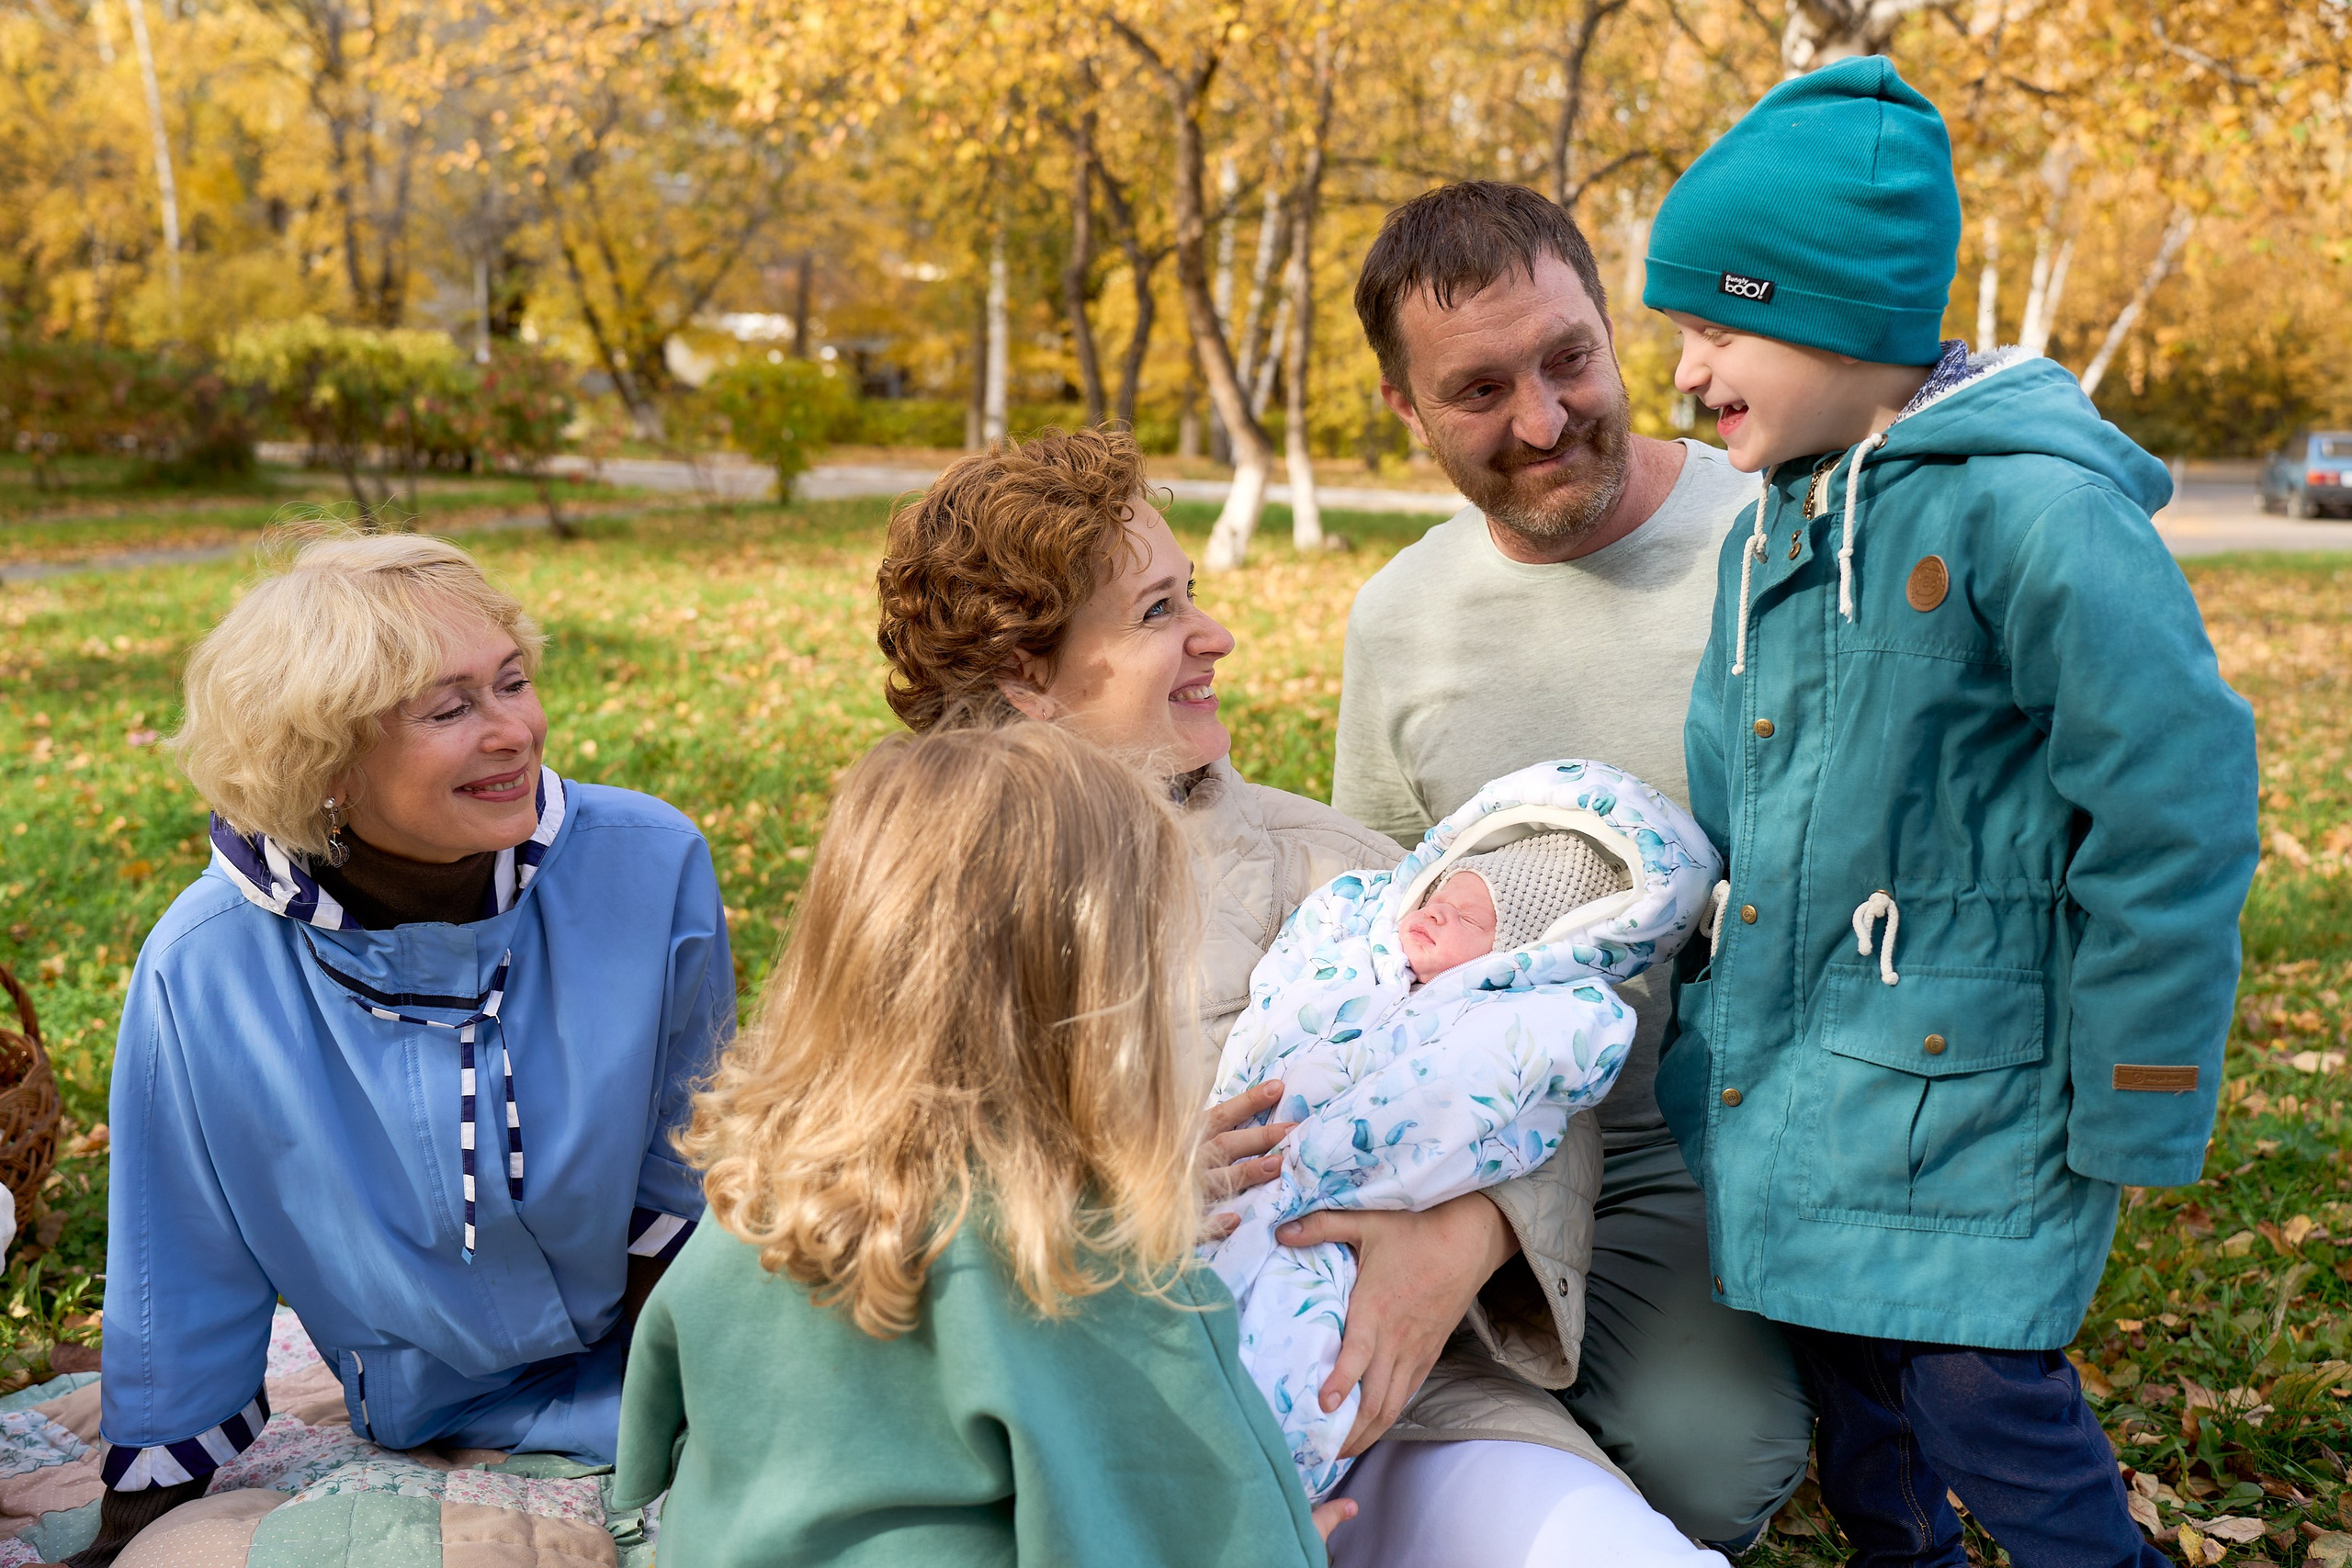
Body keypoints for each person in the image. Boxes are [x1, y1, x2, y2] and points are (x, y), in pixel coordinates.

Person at [1648, 58, 2257, 1563]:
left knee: (1988, 1404)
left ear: (1838, 316)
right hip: (1803, 1080)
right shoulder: (1772, 527)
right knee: (1859, 1397)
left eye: (1716, 328)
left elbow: (2174, 809)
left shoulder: (2035, 515)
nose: (1685, 372)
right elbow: (1741, 799)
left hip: (1968, 1098)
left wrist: (2144, 1080)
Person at [876, 428, 1662, 1567]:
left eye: (1190, 592)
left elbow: (1530, 1068)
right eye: (1157, 612)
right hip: (1058, 1441)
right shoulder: (908, 905)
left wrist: (1466, 1235)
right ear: (1025, 677)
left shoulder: (1344, 873)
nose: (1214, 636)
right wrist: (1104, 1195)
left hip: (1378, 1410)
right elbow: (844, 1194)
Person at [83, 531, 729, 1565]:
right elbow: (178, 1255)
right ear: (326, 761)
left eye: (512, 682)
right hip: (427, 1406)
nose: (513, 730)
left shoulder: (650, 863)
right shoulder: (205, 964)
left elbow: (689, 1163)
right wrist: (134, 1523)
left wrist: (699, 1407)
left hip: (671, 1347)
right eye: (449, 708)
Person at [1333, 179, 1812, 1545]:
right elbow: (1384, 926)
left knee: (1708, 1463)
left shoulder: (1782, 533)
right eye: (1479, 390)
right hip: (1492, 1128)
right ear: (1405, 407)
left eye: (1567, 360)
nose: (1542, 421)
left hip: (1710, 1135)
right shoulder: (1401, 619)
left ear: (1612, 329)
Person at [615, 723, 1339, 1565]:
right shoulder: (1089, 1266)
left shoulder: (756, 1199)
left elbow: (653, 1424)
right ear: (1104, 999)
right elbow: (1206, 1524)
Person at [1202, 758, 1720, 1562]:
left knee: (1707, 1467)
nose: (1436, 911)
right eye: (1440, 896)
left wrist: (1471, 1230)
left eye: (1468, 916)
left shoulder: (1325, 858)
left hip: (1368, 1304)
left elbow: (1513, 1105)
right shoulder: (1351, 923)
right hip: (1178, 1251)